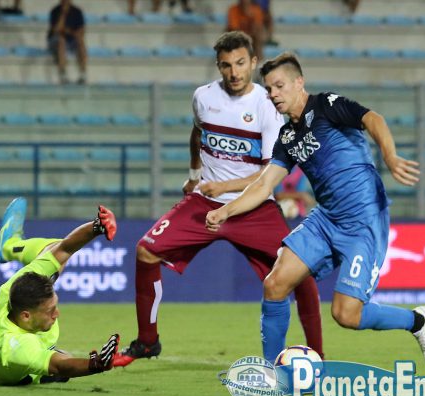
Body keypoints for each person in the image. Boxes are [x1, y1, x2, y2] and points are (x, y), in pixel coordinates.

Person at [206, 53, 425, 368]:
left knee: (346, 314)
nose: (273, 94)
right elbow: (264, 185)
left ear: (299, 83)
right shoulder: (287, 137)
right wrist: (226, 211)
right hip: (326, 219)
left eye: (279, 86)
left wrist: (390, 155)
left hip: (363, 221)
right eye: (269, 89)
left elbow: (373, 119)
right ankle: (272, 371)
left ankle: (418, 321)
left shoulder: (327, 106)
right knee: (274, 284)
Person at [113, 32, 323, 368]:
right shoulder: (203, 97)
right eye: (226, 65)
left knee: (301, 273)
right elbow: (198, 132)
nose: (234, 72)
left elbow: (269, 172)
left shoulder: (267, 106)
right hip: (204, 204)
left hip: (253, 207)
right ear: (218, 66)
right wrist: (194, 174)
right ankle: (148, 341)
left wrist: (224, 186)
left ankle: (318, 356)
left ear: (253, 62)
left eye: (240, 63)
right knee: (145, 251)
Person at [0, 197, 120, 385]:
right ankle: (9, 246)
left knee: (53, 251)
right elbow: (60, 365)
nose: (57, 313)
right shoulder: (19, 347)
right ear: (26, 316)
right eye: (50, 310)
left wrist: (97, 227)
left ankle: (8, 245)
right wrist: (97, 364)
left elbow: (64, 249)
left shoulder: (15, 286)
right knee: (64, 361)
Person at [47, 0, 87, 84]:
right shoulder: (55, 11)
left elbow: (81, 31)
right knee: (61, 40)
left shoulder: (77, 12)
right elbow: (56, 30)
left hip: (71, 40)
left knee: (81, 41)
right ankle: (63, 74)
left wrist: (69, 31)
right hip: (56, 40)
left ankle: (83, 74)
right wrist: (63, 14)